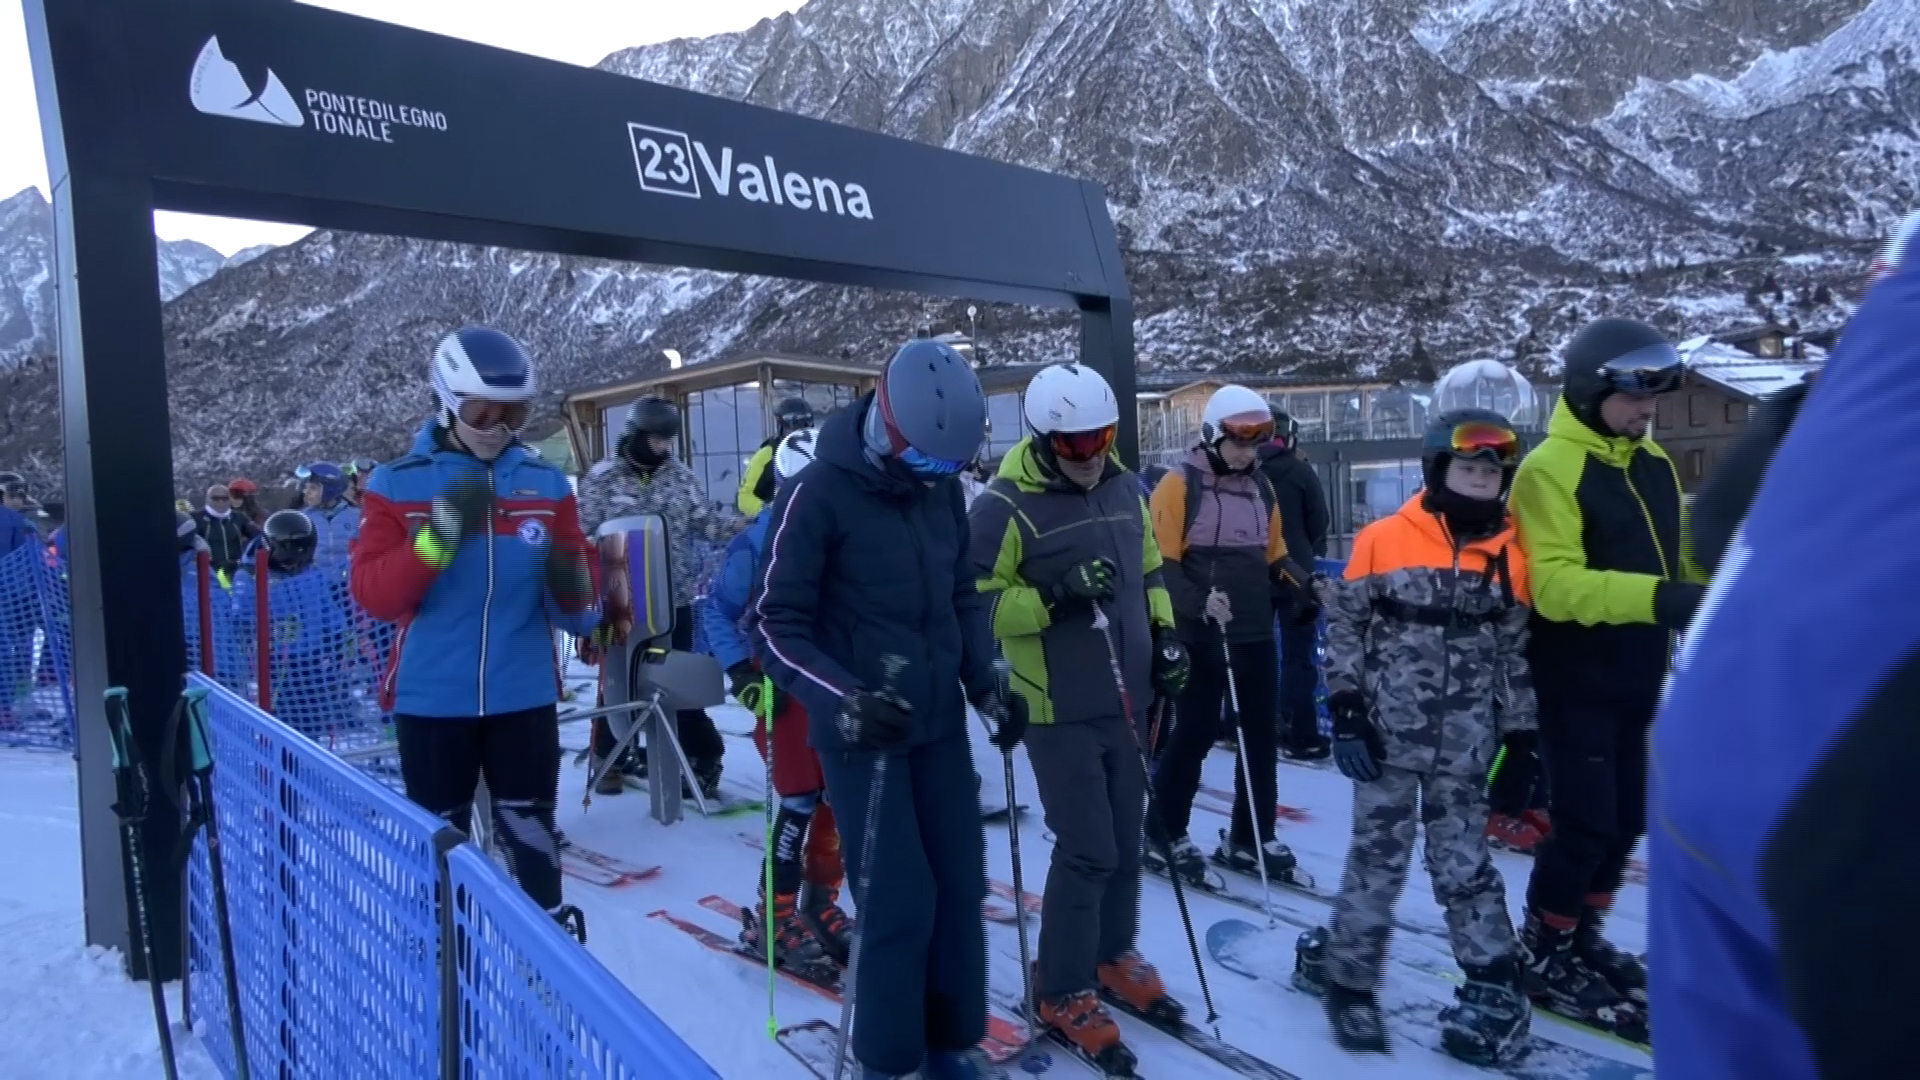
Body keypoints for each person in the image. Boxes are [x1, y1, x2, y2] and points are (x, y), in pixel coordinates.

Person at [1648, 212, 1920, 1080]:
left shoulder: (1855, 384)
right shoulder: (1556, 470)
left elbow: (1723, 512)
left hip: (1729, 715)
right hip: (1836, 750)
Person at [755, 338, 1022, 1080]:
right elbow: (774, 625)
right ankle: (887, 1059)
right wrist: (845, 699)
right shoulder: (816, 494)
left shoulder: (936, 492)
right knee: (900, 900)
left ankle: (950, 1046)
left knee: (960, 886)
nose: (937, 480)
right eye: (926, 464)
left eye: (950, 469)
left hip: (934, 723)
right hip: (862, 732)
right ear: (888, 425)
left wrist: (987, 680)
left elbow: (959, 598)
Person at [1295, 409, 1537, 1063]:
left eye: (1492, 471)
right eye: (1467, 468)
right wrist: (1345, 710)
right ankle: (1349, 983)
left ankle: (1491, 978)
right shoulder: (1384, 539)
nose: (1481, 480)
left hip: (1466, 746)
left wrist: (1522, 736)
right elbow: (1345, 628)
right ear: (1438, 470)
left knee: (1463, 865)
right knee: (1378, 861)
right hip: (1386, 738)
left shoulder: (1511, 553)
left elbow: (1514, 653)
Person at [969, 362, 1190, 1070]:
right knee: (1089, 846)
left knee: (1127, 840)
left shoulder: (1127, 487)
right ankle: (1059, 986)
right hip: (1056, 706)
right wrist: (1054, 596)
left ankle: (1109, 953)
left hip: (1128, 696)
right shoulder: (1005, 506)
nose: (1090, 456)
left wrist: (1165, 638)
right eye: (1072, 445)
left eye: (1101, 438)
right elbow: (972, 605)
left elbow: (1149, 571)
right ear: (1041, 439)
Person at [350, 326, 600, 938]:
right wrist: (434, 542)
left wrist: (574, 583)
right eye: (480, 411)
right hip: (434, 696)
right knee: (441, 827)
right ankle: (441, 940)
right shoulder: (397, 483)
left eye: (514, 414)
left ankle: (545, 942)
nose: (497, 427)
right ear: (444, 401)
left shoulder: (543, 485)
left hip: (522, 692)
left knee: (529, 822)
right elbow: (375, 595)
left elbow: (581, 607)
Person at [1509, 316, 1701, 1039]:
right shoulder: (1549, 469)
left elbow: (1679, 560)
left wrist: (1718, 587)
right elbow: (1554, 585)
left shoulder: (1654, 464)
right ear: (1593, 392)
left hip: (1641, 674)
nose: (1647, 409)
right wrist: (1661, 599)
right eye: (1633, 396)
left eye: (1655, 396)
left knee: (1628, 819)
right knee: (1584, 822)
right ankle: (1545, 947)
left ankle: (1581, 935)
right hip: (1575, 679)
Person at [1145, 384, 1319, 886]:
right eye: (1238, 441)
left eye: (1257, 441)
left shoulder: (1263, 488)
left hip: (1252, 632)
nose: (1247, 452)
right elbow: (1160, 563)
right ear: (1212, 436)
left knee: (1260, 736)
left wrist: (1305, 585)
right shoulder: (1179, 486)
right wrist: (1199, 602)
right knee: (1196, 731)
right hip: (1201, 633)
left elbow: (1275, 556)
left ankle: (1251, 834)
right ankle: (1163, 830)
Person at [700, 426, 852, 972]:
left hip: (833, 677)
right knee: (799, 798)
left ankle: (819, 903)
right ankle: (775, 915)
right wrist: (741, 672)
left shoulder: (842, 532)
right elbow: (717, 611)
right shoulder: (758, 541)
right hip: (780, 683)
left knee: (838, 791)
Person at [577, 395, 742, 800]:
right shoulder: (603, 479)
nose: (664, 449)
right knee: (618, 681)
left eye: (669, 441)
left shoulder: (679, 476)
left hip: (673, 599)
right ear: (635, 436)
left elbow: (704, 522)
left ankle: (698, 757)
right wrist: (587, 602)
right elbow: (580, 538)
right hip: (621, 601)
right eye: (656, 441)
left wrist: (746, 529)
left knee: (675, 680)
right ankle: (610, 757)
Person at [228, 510, 353, 737]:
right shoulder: (250, 575)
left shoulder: (310, 571)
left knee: (312, 720)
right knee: (283, 723)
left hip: (312, 658)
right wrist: (262, 632)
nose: (293, 567)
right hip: (276, 664)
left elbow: (326, 606)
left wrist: (339, 636)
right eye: (288, 561)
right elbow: (241, 617)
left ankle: (308, 760)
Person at [1257, 403, 1332, 760]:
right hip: (1296, 574)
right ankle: (1300, 733)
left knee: (1254, 654)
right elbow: (1320, 521)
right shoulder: (1300, 472)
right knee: (1299, 657)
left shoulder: (1243, 474)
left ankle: (1246, 725)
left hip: (1252, 574)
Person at [737, 397, 816, 519]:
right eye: (794, 427)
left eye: (806, 426)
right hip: (777, 526)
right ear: (781, 427)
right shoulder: (767, 454)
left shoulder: (820, 452)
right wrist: (769, 512)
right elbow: (745, 497)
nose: (800, 432)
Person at [298, 462, 361, 575]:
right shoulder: (303, 519)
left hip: (350, 583)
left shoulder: (357, 516)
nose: (306, 492)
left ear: (330, 489)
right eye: (306, 487)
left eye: (313, 488)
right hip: (315, 585)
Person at [195, 483, 259, 577]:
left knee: (235, 590)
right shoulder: (196, 518)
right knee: (222, 589)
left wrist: (248, 559)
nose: (221, 502)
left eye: (225, 498)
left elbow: (258, 537)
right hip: (208, 572)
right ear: (207, 499)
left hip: (236, 569)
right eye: (215, 498)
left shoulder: (239, 517)